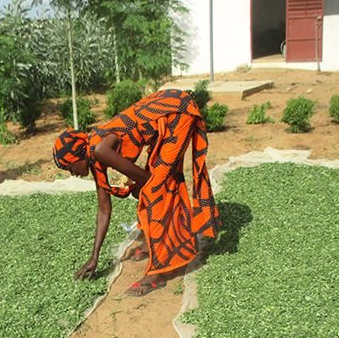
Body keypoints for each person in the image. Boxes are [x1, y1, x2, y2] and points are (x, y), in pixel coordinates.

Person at [53, 88, 220, 296]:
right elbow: (104, 209)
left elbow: (147, 181)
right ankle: (157, 243)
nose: (72, 173)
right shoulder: (94, 153)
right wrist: (94, 257)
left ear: (78, 156)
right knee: (154, 186)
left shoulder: (99, 150)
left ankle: (157, 273)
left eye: (69, 167)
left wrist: (138, 189)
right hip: (166, 117)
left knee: (155, 191)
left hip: (176, 112)